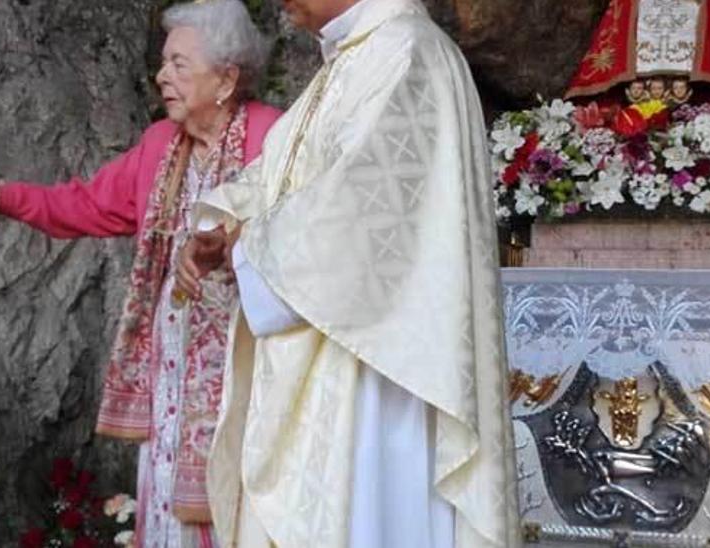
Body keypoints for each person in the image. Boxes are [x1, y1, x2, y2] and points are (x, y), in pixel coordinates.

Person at [178, 0, 519, 546]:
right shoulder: (353, 58)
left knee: (369, 517)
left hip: (379, 369)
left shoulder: (406, 51)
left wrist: (249, 244)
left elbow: (358, 212)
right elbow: (281, 172)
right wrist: (224, 224)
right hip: (330, 347)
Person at [0, 1, 280, 545]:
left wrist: (233, 244)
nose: (162, 76)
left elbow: (303, 239)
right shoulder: (160, 146)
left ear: (226, 78)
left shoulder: (273, 138)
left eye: (179, 64)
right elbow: (82, 205)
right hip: (170, 376)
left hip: (246, 375)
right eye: (162, 62)